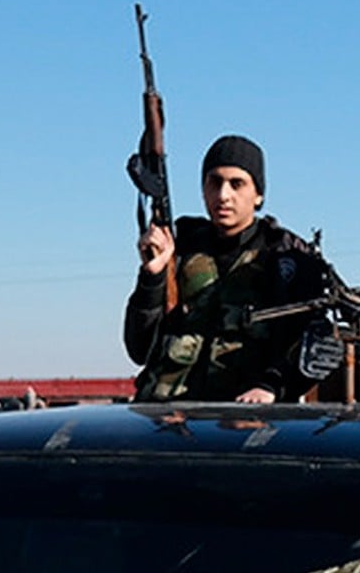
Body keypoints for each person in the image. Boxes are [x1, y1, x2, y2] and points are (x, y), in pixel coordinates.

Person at [124, 135, 328, 403]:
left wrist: (272, 386)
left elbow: (317, 342)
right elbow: (139, 349)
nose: (223, 195)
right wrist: (152, 277)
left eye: (237, 184)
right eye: (214, 182)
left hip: (240, 423)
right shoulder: (179, 248)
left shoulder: (287, 256)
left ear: (258, 195)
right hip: (162, 416)